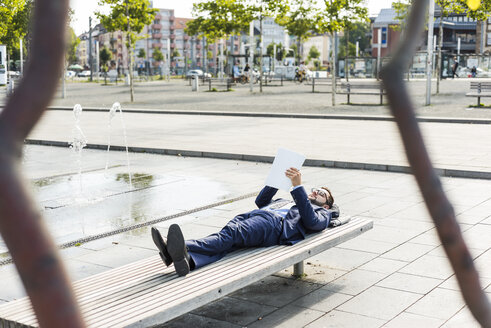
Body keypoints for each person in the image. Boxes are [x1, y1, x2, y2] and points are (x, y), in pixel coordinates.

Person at [151, 168, 339, 277]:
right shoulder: (290, 201)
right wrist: (276, 181)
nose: (315, 192)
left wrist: (298, 186)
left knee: (230, 235)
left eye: (321, 194)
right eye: (315, 189)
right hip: (255, 215)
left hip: (273, 225)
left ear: (328, 205)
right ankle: (189, 261)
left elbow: (312, 222)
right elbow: (261, 201)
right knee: (228, 242)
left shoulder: (322, 213)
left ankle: (175, 246)